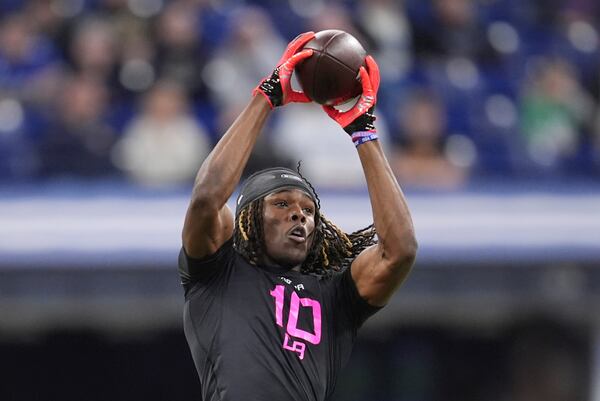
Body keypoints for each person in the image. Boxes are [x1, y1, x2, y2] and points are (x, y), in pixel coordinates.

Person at [178, 32, 417, 401]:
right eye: (283, 204)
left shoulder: (334, 297)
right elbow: (207, 198)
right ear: (248, 220)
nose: (300, 217)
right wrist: (268, 95)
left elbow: (399, 251)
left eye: (308, 211)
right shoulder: (218, 272)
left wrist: (364, 132)